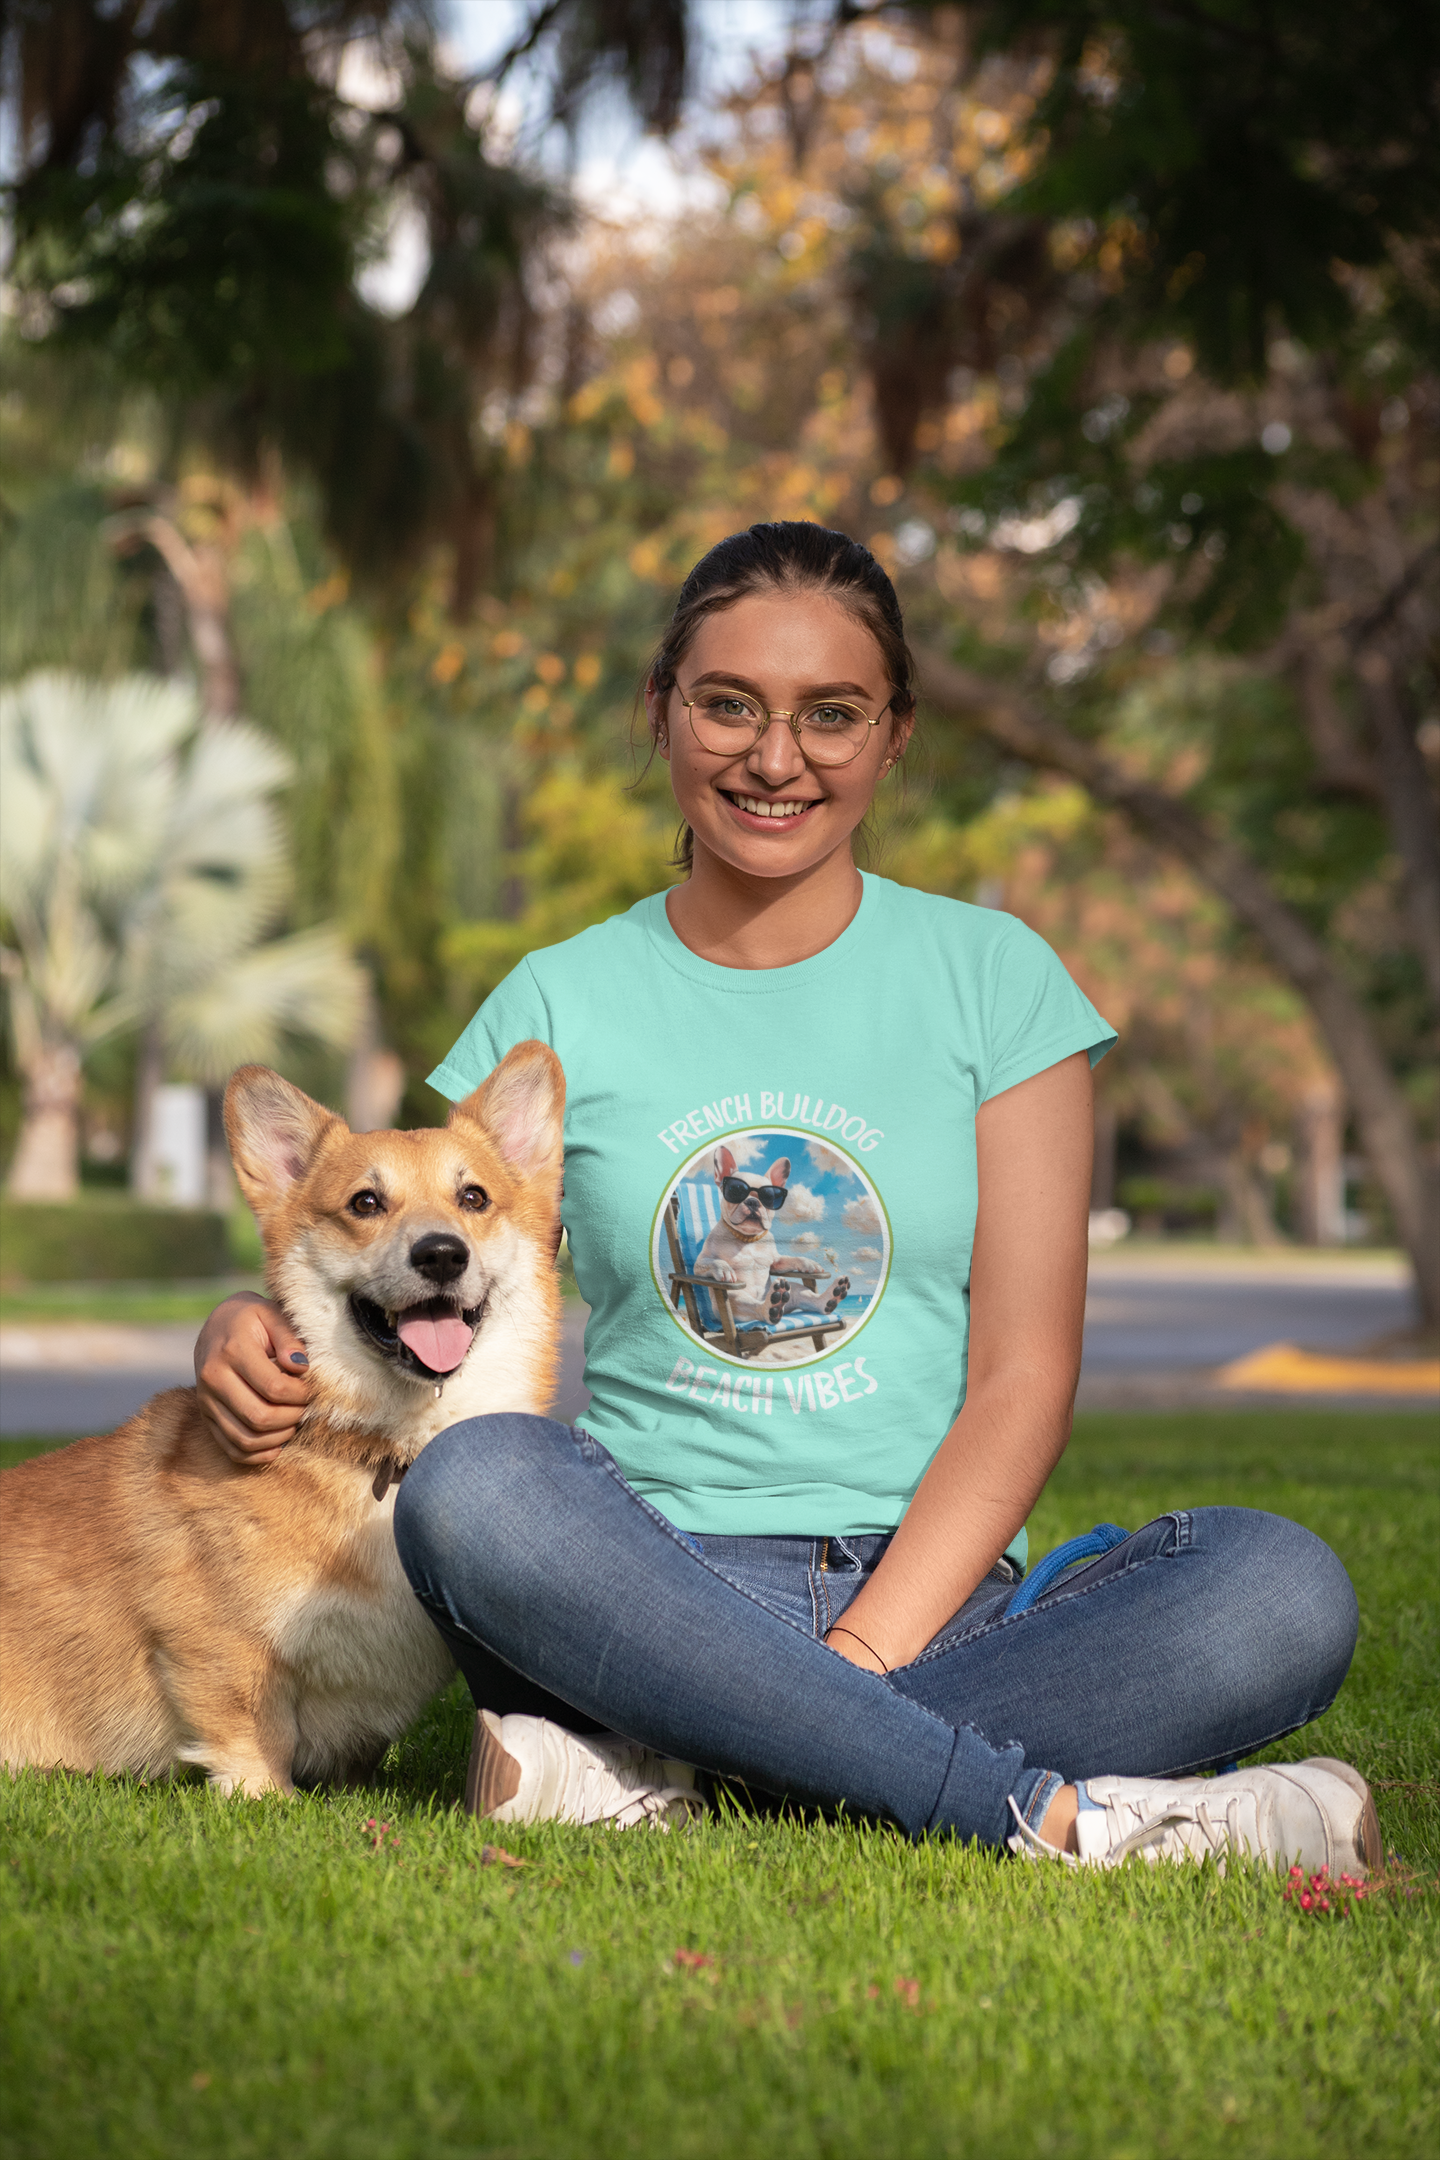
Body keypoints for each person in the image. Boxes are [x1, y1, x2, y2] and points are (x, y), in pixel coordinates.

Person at [195, 521, 1378, 1872]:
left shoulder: (998, 980)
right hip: (627, 1587)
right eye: (728, 705)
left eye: (831, 714)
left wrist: (857, 1660)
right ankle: (1065, 1818)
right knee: (473, 1488)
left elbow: (1022, 1379)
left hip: (937, 1598)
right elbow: (402, 1235)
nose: (776, 758)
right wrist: (238, 1326)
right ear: (661, 711)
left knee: (1282, 1591)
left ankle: (681, 1766)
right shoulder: (559, 997)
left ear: (895, 733)